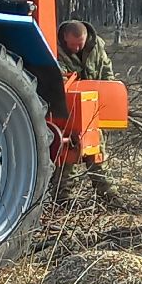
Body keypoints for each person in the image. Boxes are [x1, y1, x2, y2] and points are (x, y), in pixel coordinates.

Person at [53, 19, 124, 207]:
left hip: (93, 109)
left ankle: (109, 196)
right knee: (69, 153)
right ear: (64, 39)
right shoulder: (51, 47)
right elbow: (56, 79)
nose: (77, 48)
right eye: (73, 45)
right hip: (69, 111)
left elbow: (107, 73)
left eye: (80, 44)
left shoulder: (97, 45)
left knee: (97, 153)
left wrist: (108, 97)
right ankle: (63, 198)